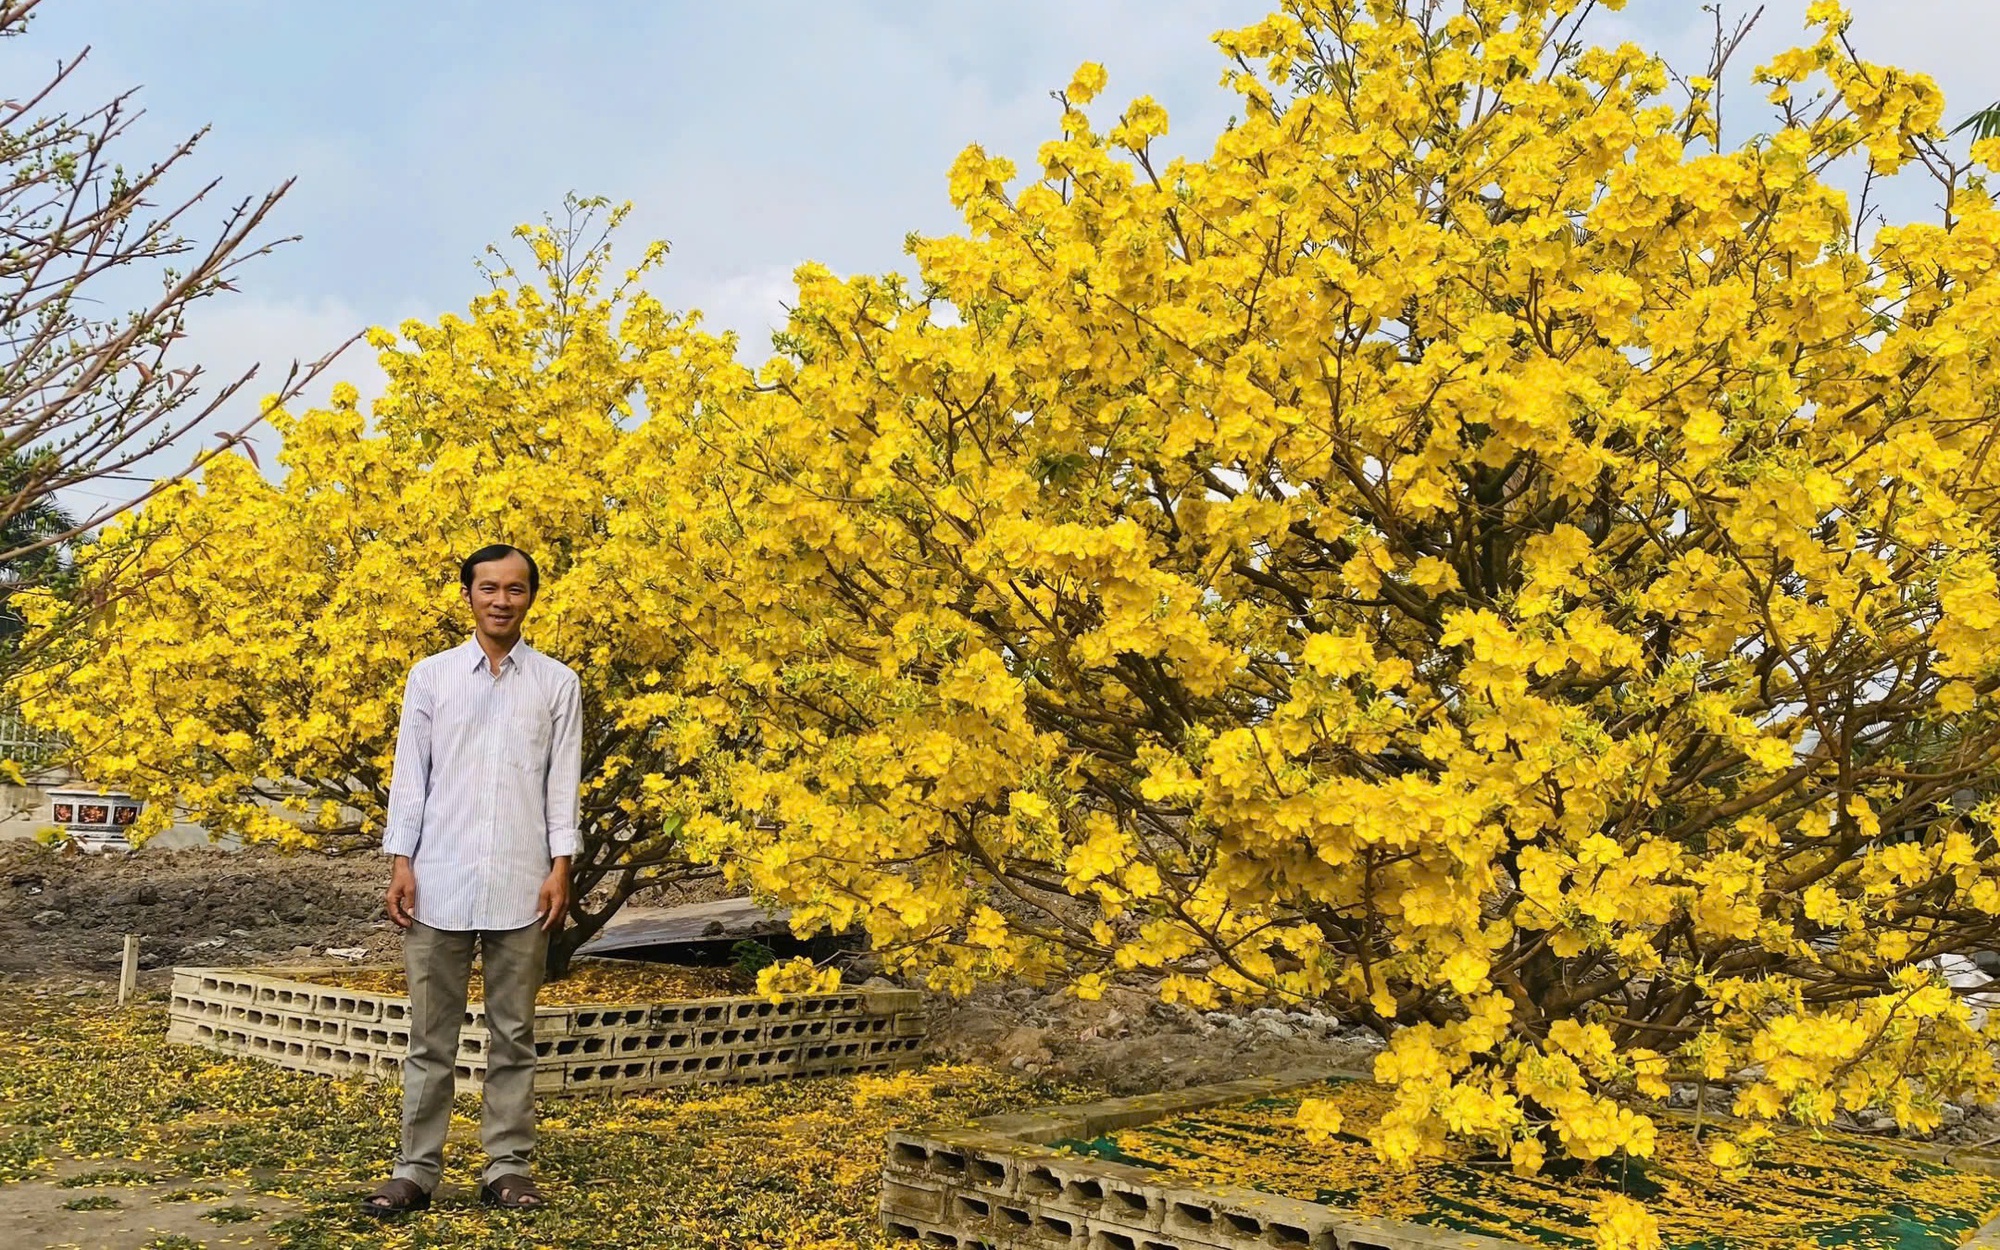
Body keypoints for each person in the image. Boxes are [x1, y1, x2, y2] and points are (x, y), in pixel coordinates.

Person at [362, 544, 583, 1216]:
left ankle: (506, 1168)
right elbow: (411, 777)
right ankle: (414, 1171)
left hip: (524, 883)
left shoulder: (556, 683)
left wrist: (560, 867)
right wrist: (401, 861)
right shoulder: (430, 678)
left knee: (514, 1035)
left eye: (515, 589)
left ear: (531, 598)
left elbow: (561, 783)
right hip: (439, 879)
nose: (501, 600)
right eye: (488, 587)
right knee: (431, 1038)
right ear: (467, 596)